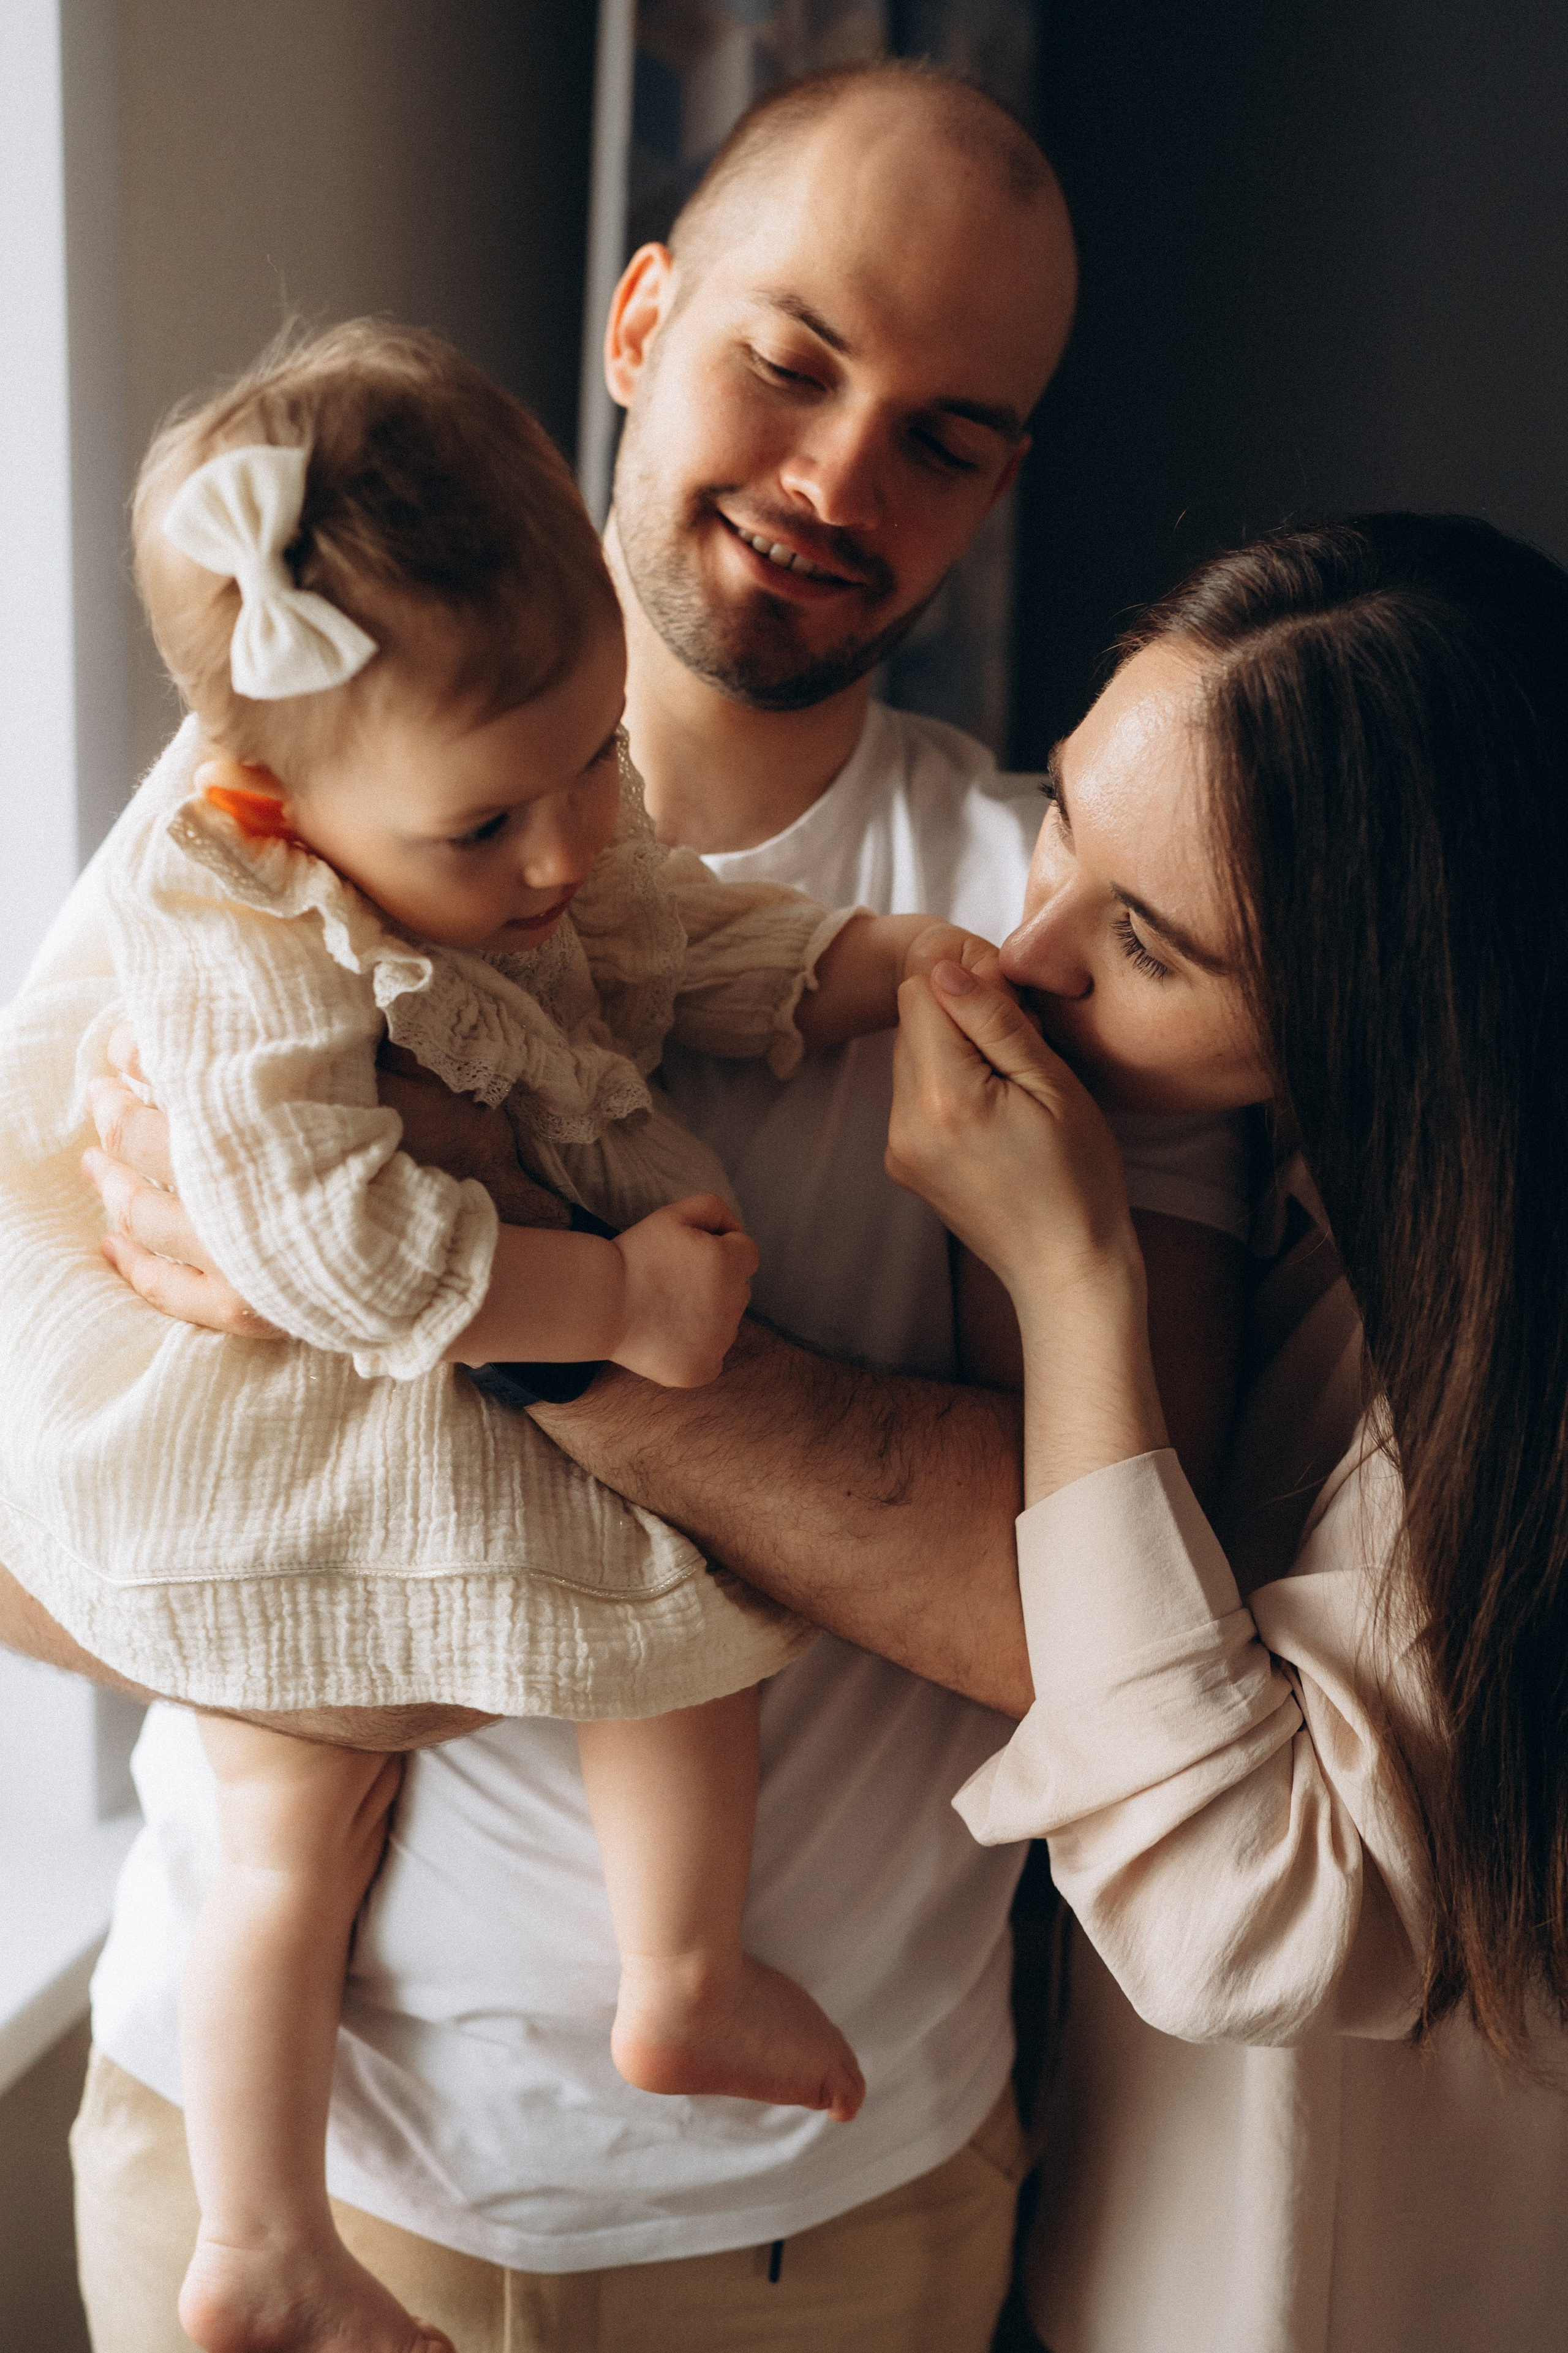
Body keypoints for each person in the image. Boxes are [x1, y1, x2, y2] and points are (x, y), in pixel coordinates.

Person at [3, 62, 1248, 2353]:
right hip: (251, 2152)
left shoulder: (1033, 934)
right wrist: (294, 1532)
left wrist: (552, 1319)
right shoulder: (248, 835)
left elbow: (1113, 1627)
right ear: (640, 316)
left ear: (1001, 488)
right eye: (793, 358)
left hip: (800, 2220)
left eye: (948, 436)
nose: (840, 477)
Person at [876, 512, 1568, 2353]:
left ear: (1388, 1013)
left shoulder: (1510, 1347)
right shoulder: (1285, 1160)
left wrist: (1075, 1279)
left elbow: (1248, 1923)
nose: (1025, 954)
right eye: (1064, 818)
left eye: (1148, 944)